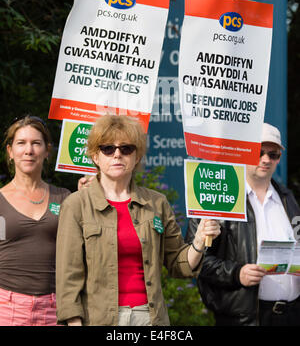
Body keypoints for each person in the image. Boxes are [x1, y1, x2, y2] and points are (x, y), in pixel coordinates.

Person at [55, 114, 220, 326]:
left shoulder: (157, 203)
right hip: (98, 319)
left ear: (137, 157)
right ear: (95, 156)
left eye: (126, 149)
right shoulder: (76, 204)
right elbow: (68, 277)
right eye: (107, 148)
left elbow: (179, 265)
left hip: (150, 318)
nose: (117, 154)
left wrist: (198, 241)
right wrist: (74, 323)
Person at [185, 123, 300, 326]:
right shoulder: (219, 197)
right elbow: (196, 262)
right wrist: (237, 273)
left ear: (279, 158)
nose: (266, 159)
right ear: (243, 152)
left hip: (291, 314)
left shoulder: (287, 198)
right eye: (258, 152)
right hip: (244, 319)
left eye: (273, 154)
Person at [0, 115, 70, 326]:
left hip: (54, 309)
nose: (28, 150)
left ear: (47, 151)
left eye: (36, 143)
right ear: (10, 152)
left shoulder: (65, 197)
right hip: (7, 308)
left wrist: (88, 197)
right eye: (21, 143)